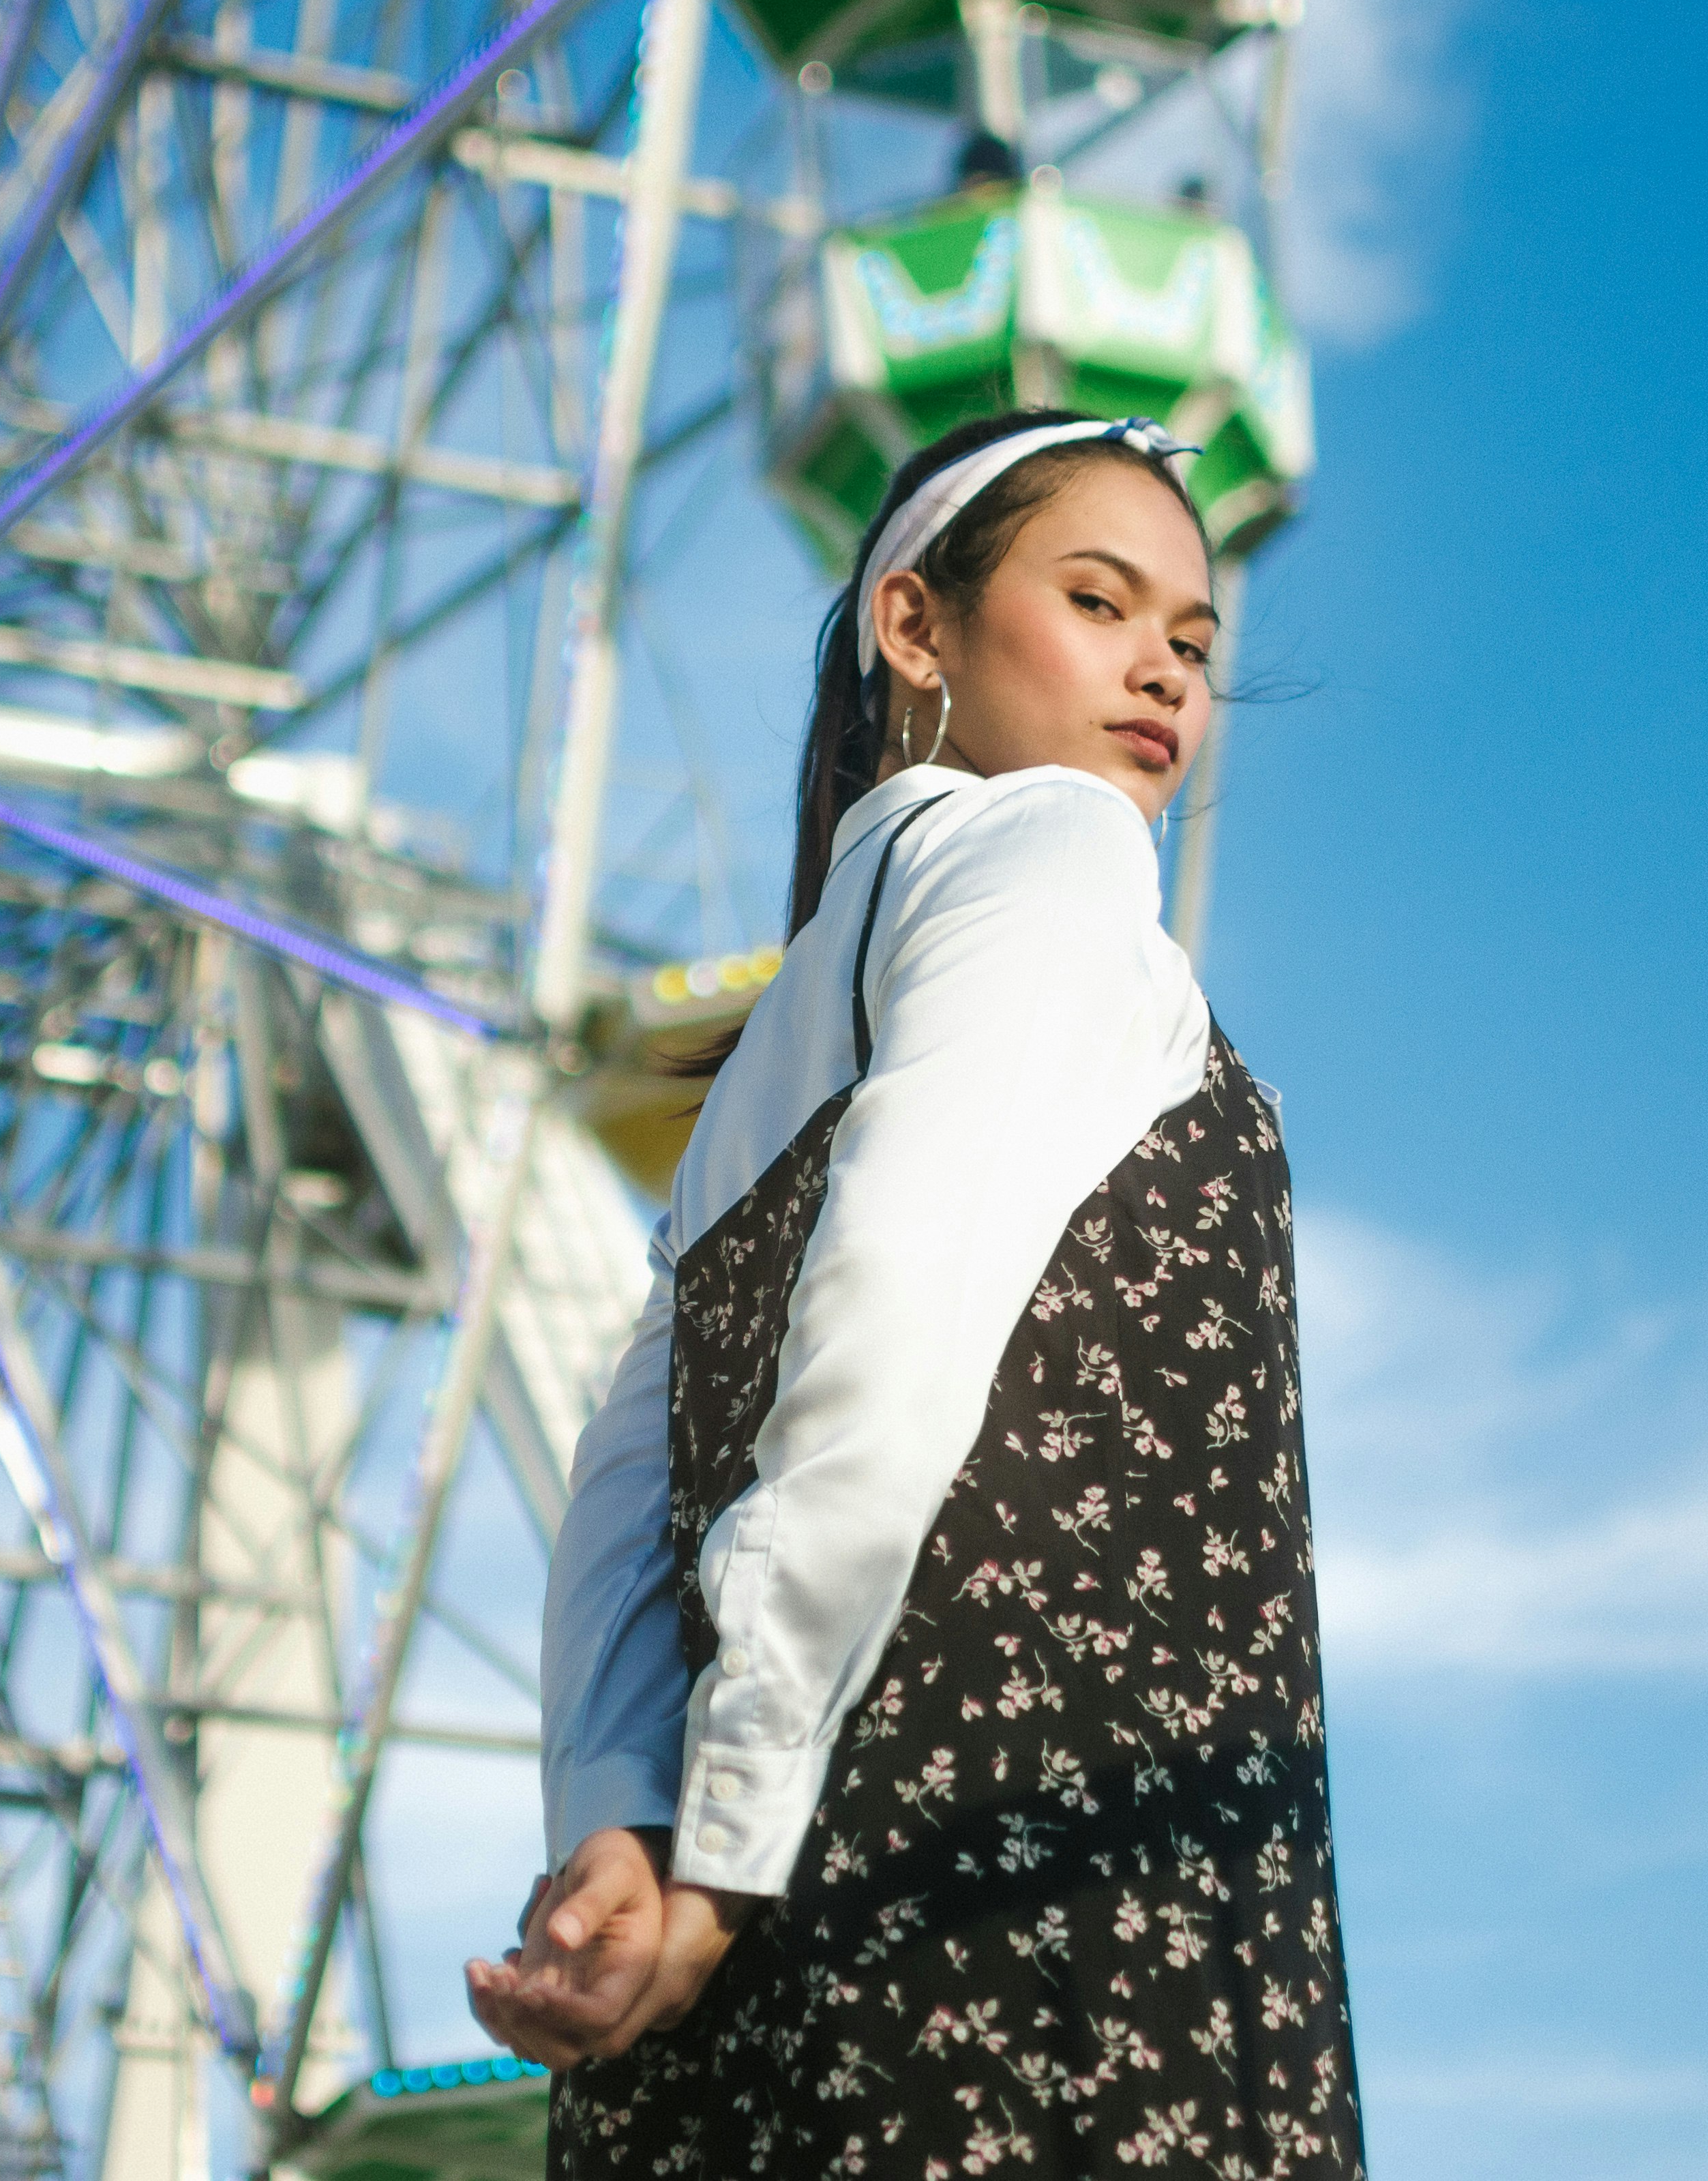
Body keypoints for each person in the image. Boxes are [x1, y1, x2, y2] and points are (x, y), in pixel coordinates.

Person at [468, 411, 1362, 2176]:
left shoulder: (755, 1063)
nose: (1161, 675)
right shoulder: (1049, 851)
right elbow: (894, 1312)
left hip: (760, 1933)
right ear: (914, 625)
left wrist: (625, 1829)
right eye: (1098, 601)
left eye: (1190, 640)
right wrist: (715, 1846)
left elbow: (623, 1504)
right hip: (1039, 1886)